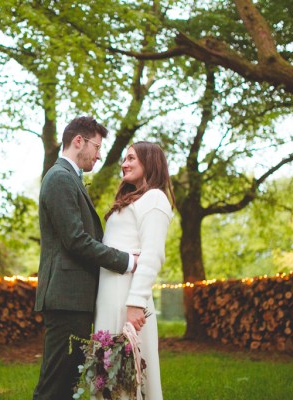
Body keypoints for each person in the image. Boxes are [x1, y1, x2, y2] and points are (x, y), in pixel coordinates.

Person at [33, 116, 138, 400]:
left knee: (66, 382)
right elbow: (76, 241)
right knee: (53, 385)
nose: (100, 154)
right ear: (79, 141)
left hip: (74, 300)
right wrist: (125, 260)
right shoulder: (59, 178)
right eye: (97, 146)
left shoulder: (70, 179)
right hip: (66, 298)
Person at [93, 141, 175, 400]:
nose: (124, 164)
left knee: (129, 376)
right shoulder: (131, 199)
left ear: (149, 162)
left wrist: (135, 304)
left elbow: (152, 255)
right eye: (124, 160)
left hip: (127, 298)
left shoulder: (155, 199)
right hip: (108, 298)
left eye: (131, 159)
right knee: (108, 375)